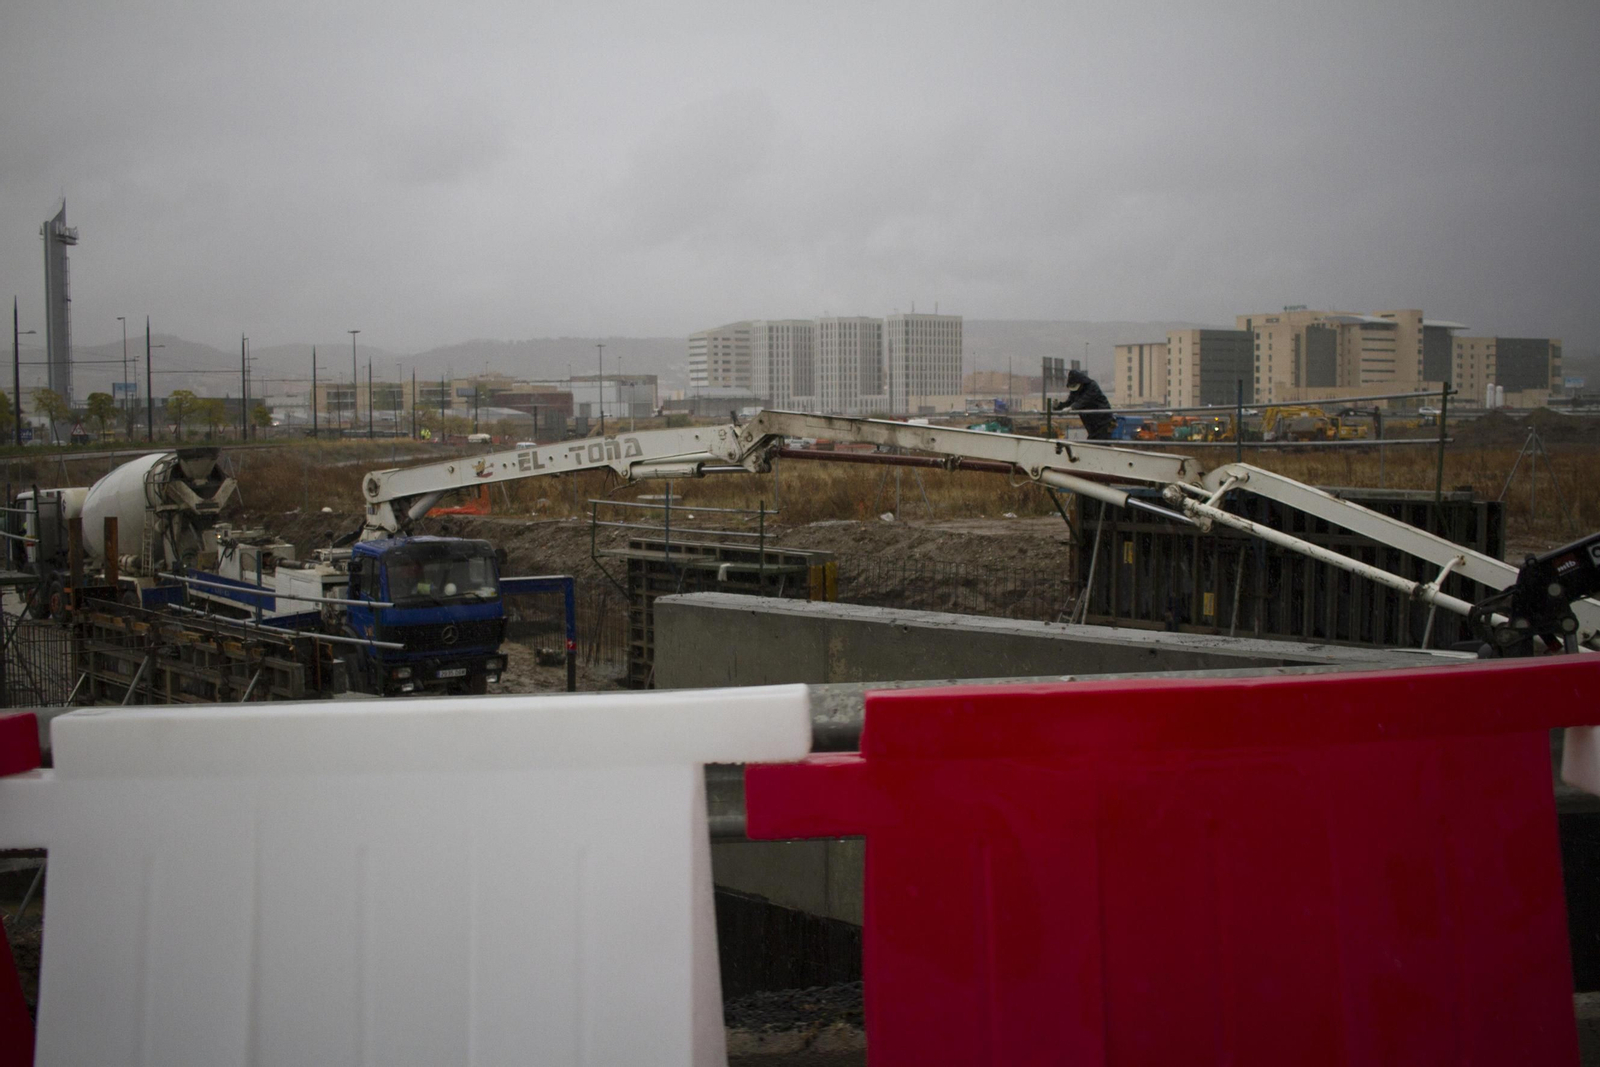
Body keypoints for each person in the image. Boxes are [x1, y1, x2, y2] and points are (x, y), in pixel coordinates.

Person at [1053, 368, 1116, 440]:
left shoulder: (1092, 386)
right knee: (1095, 441)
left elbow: (1084, 400)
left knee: (1100, 441)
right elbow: (1070, 401)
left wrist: (1072, 407)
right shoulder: (1076, 390)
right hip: (1091, 422)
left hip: (1103, 420)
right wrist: (1059, 407)